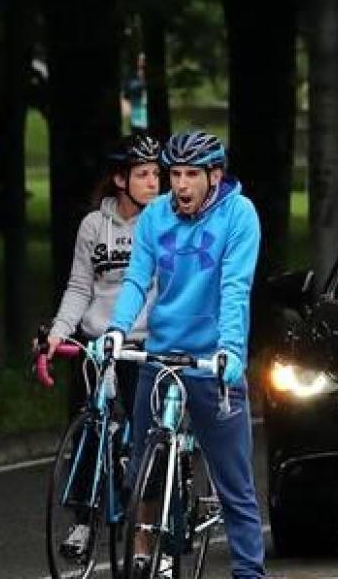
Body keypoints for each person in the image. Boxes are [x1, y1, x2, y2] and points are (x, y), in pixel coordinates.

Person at [102, 130, 264, 579]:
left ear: (215, 175)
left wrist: (230, 350)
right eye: (175, 175)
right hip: (162, 356)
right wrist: (117, 330)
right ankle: (152, 555)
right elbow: (137, 280)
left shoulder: (239, 215)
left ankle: (249, 572)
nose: (183, 185)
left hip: (214, 362)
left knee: (235, 485)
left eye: (193, 174)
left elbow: (236, 287)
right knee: (141, 474)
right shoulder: (155, 216)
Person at [44, 133, 163, 561]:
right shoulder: (94, 226)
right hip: (98, 344)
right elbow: (79, 287)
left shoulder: (163, 223)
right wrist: (58, 334)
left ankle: (148, 536)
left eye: (156, 174)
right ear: (119, 179)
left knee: (148, 440)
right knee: (92, 426)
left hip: (145, 344)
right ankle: (82, 518)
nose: (154, 182)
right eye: (143, 174)